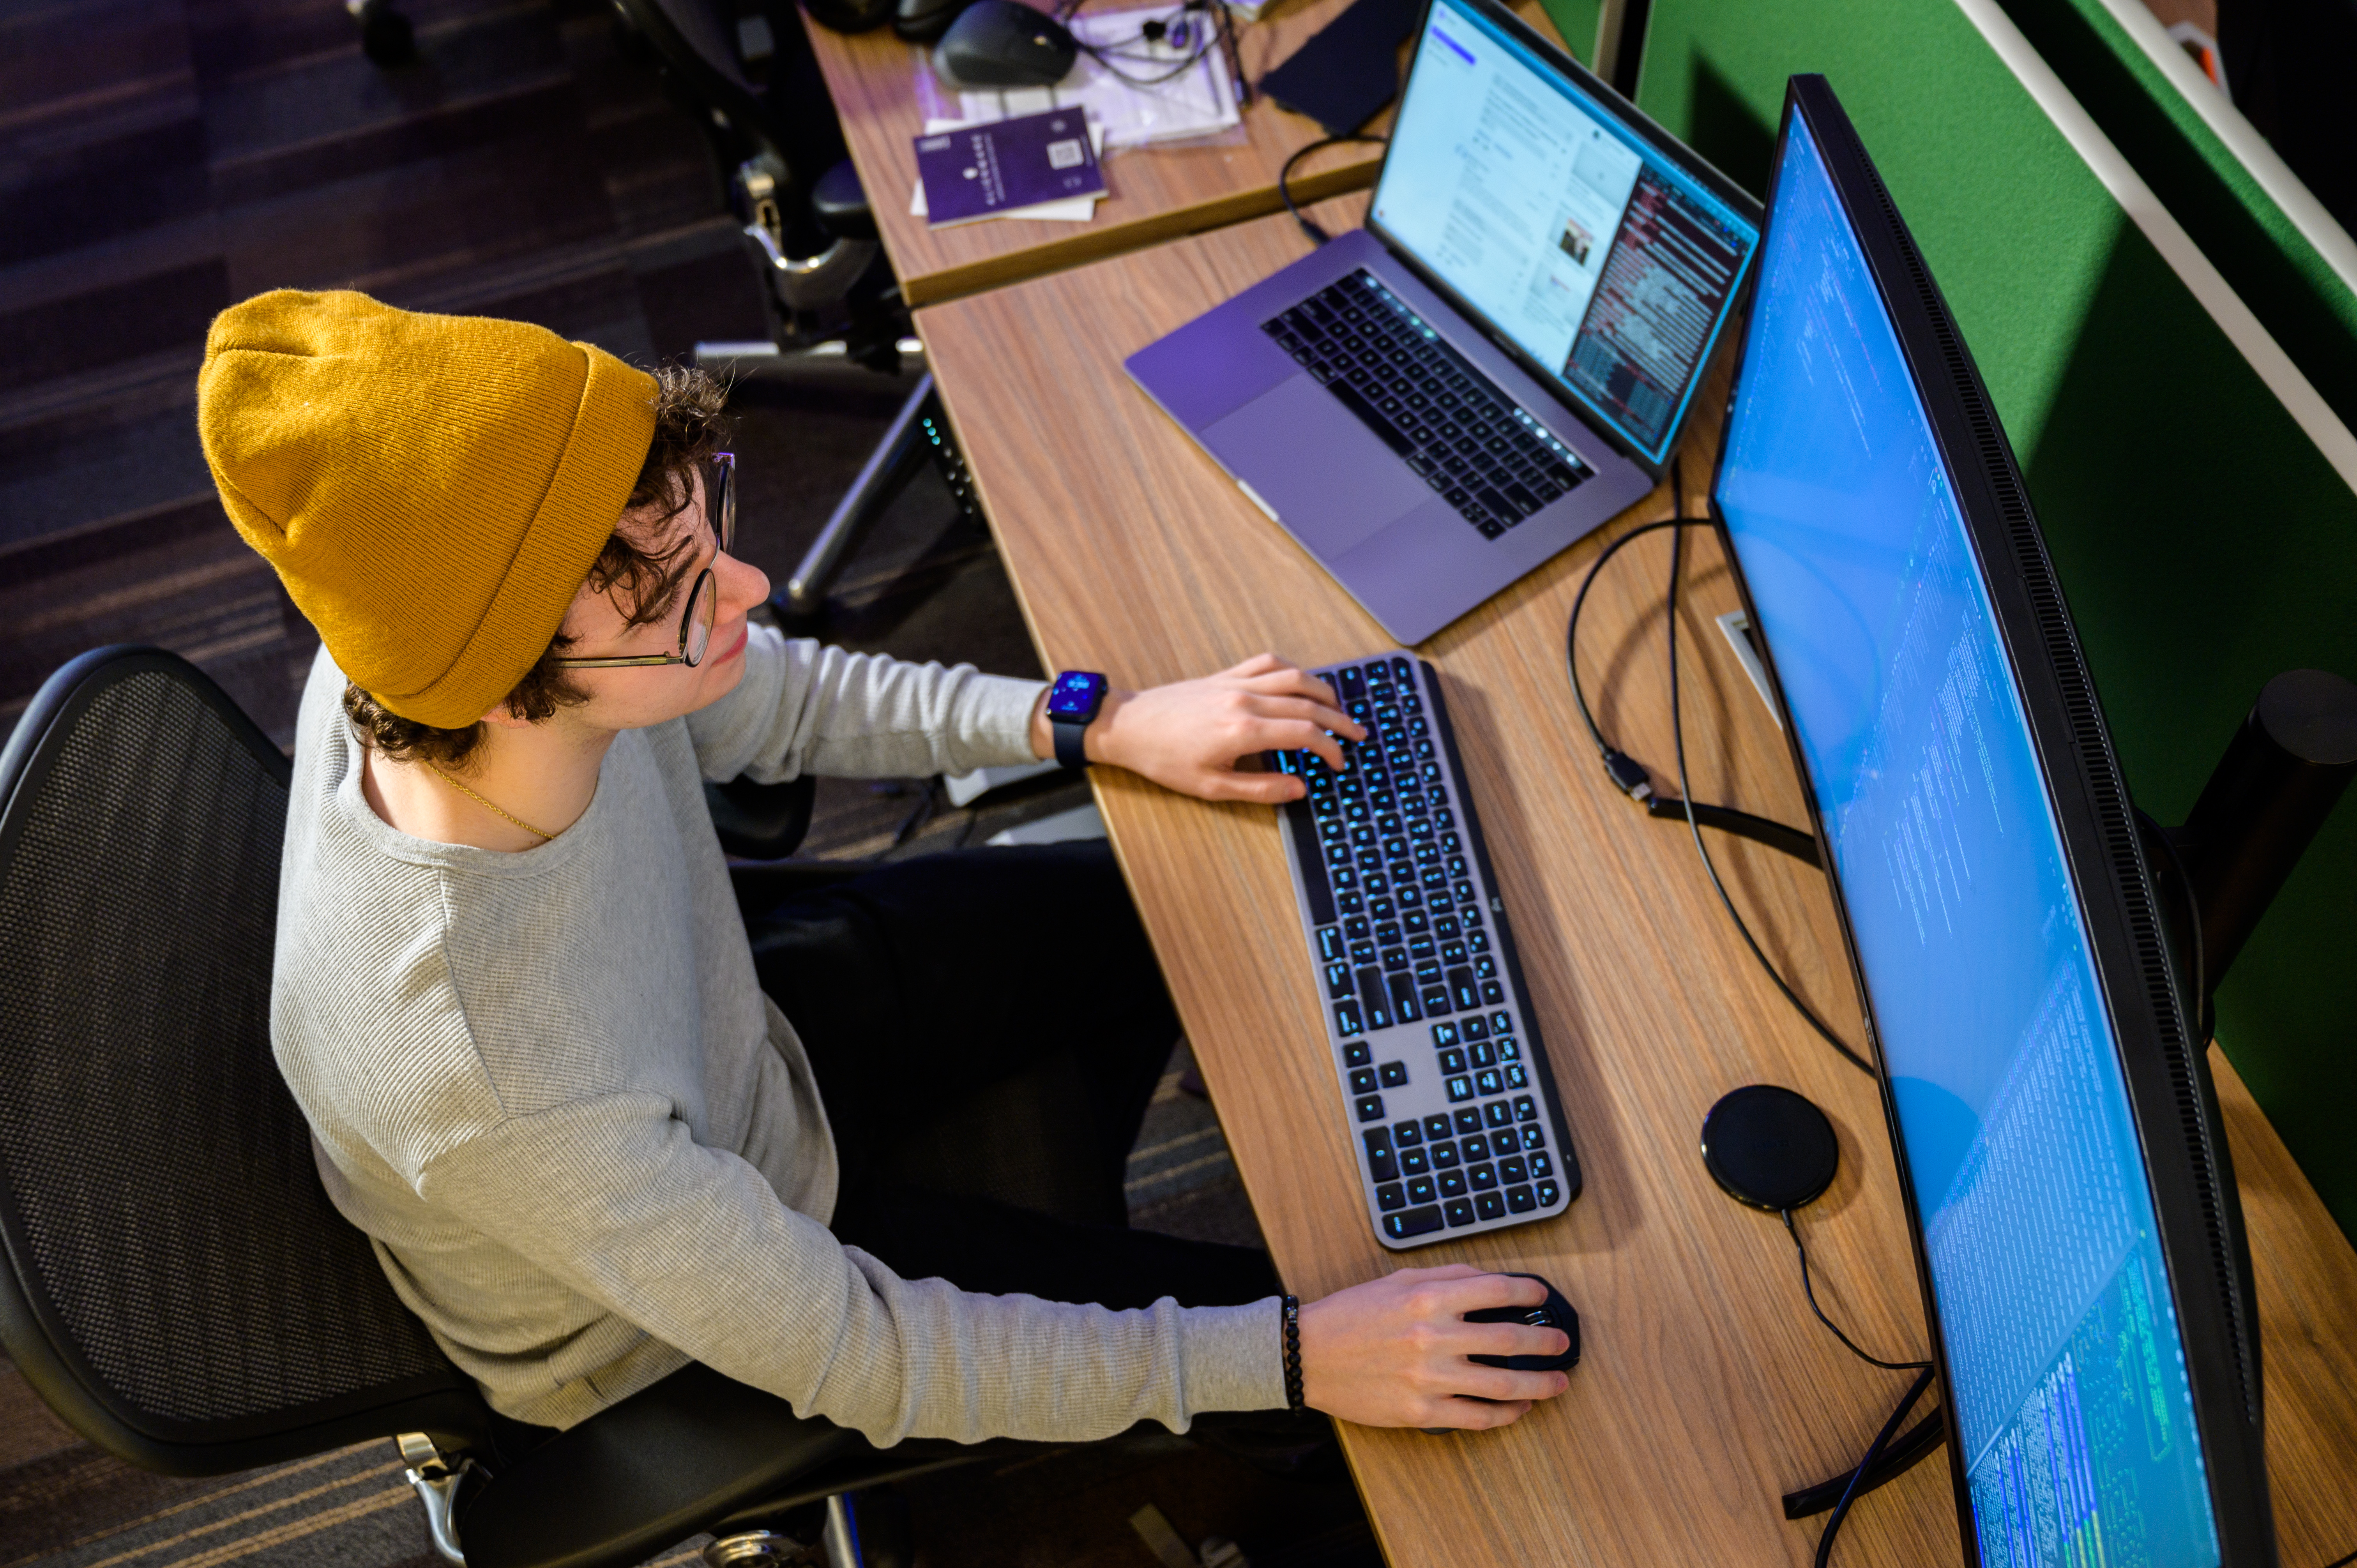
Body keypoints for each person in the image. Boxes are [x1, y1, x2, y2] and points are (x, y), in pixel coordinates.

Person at [196, 290, 1571, 1455]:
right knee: (1323, 1351)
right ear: (505, 686)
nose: (743, 587)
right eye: (673, 585)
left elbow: (766, 695)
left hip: (732, 1030)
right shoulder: (485, 1072)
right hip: (670, 1311)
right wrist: (1293, 1360)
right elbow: (870, 1357)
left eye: (703, 528)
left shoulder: (424, 625)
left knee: (1171, 898)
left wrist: (1096, 721)